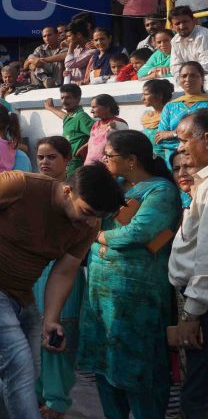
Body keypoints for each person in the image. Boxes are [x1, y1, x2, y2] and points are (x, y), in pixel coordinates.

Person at [0, 164, 125, 419]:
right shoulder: (20, 185)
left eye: (98, 216)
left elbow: (64, 271)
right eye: (88, 212)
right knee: (18, 362)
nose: (91, 222)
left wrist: (50, 319)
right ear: (68, 191)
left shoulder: (88, 224)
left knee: (26, 369)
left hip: (20, 295)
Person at [76, 131, 179, 418]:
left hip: (136, 296)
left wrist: (99, 235)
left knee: (139, 369)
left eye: (110, 155)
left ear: (132, 160)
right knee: (103, 364)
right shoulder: (114, 187)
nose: (105, 159)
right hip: (101, 291)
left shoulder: (160, 191)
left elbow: (140, 232)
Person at [29, 137, 86, 419]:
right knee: (37, 333)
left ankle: (57, 401)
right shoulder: (31, 189)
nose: (44, 163)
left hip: (65, 271)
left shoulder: (77, 191)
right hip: (34, 272)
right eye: (40, 157)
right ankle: (39, 392)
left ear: (67, 159)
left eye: (51, 157)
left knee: (59, 333)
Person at [172, 109, 208, 418]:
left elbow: (206, 257)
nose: (181, 149)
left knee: (197, 389)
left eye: (185, 141)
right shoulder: (201, 184)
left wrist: (192, 313)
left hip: (202, 303)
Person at [156, 61, 208, 166]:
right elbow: (160, 139)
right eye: (184, 76)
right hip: (176, 163)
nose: (188, 79)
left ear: (202, 79)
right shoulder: (170, 106)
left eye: (193, 75)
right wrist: (185, 145)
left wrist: (173, 134)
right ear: (179, 80)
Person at [44, 84, 93, 176]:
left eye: (68, 98)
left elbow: (98, 134)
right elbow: (64, 116)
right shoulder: (71, 117)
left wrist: (84, 147)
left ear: (77, 99)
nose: (64, 101)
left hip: (77, 164)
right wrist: (51, 108)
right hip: (69, 163)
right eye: (62, 98)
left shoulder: (82, 117)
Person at [79, 94, 128, 165]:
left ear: (107, 107)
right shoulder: (96, 125)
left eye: (94, 107)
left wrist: (114, 125)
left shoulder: (119, 124)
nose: (91, 111)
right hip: (89, 166)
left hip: (106, 168)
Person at [139, 79, 175, 160]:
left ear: (159, 96)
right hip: (152, 161)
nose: (142, 98)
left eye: (146, 94)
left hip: (170, 159)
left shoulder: (173, 115)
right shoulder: (147, 115)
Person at [170, 5, 208, 76]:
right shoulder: (175, 40)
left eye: (185, 22)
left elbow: (206, 66)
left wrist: (186, 75)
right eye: (177, 23)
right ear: (172, 26)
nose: (182, 26)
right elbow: (174, 67)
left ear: (194, 21)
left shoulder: (203, 35)